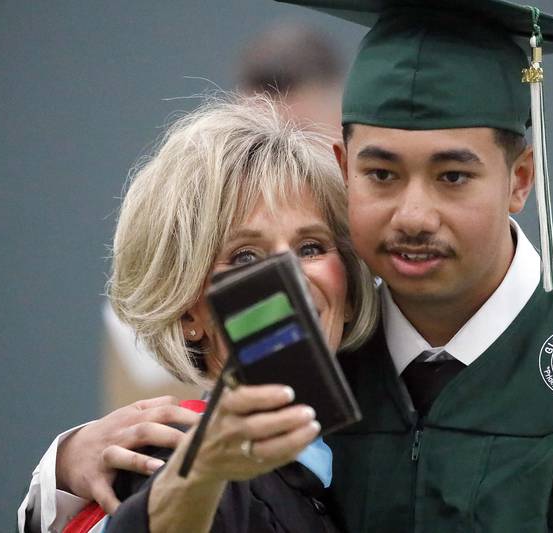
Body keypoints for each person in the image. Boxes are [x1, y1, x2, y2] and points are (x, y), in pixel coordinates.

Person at [23, 1, 553, 531]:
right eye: (382, 174)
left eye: (452, 175)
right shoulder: (314, 378)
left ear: (519, 178)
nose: (414, 212)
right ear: (347, 168)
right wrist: (64, 467)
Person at [23, 94, 379, 532]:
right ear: (190, 314)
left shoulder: (371, 456)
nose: (290, 277)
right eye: (246, 257)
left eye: (311, 247)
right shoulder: (175, 468)